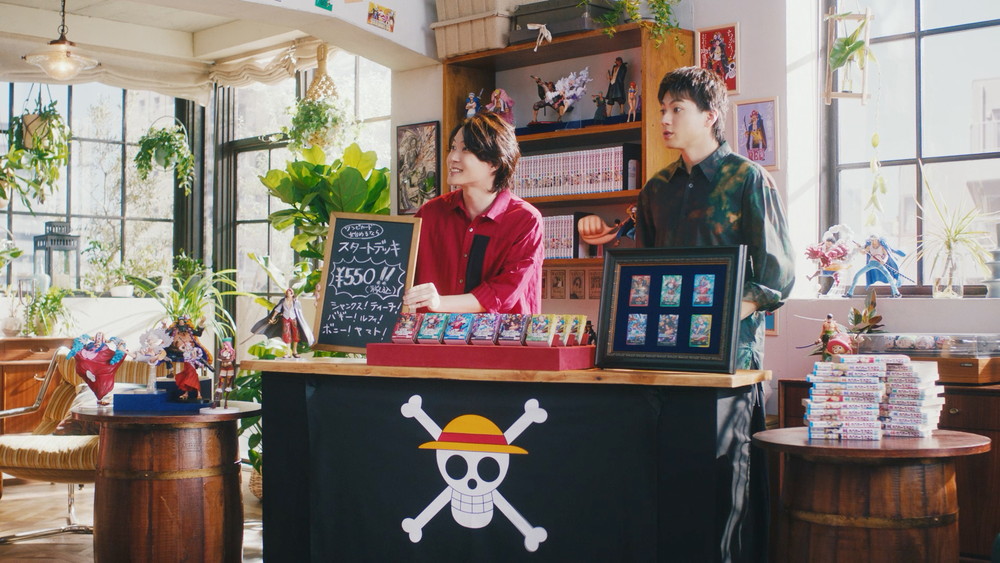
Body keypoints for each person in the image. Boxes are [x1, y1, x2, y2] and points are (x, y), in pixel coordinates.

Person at [633, 66, 795, 563]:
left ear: (709, 115)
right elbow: (642, 277)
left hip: (728, 367)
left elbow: (777, 274)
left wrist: (719, 317)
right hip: (664, 364)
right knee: (667, 487)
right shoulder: (655, 190)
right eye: (662, 109)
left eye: (676, 109)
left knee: (725, 488)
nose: (664, 119)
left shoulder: (748, 180)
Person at [402, 111, 543, 315]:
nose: (452, 158)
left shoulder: (525, 220)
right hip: (436, 335)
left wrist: (439, 303)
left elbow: (503, 293)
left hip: (501, 335)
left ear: (495, 163)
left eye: (466, 149)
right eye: (453, 148)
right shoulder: (430, 214)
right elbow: (401, 274)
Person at [251, 287, 315, 357]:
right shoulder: (283, 301)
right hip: (286, 319)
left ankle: (294, 351)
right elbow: (277, 309)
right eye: (287, 293)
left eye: (290, 293)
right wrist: (273, 317)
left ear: (292, 294)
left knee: (296, 335)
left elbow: (299, 312)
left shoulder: (295, 302)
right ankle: (288, 352)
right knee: (286, 335)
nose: (288, 294)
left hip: (293, 319)